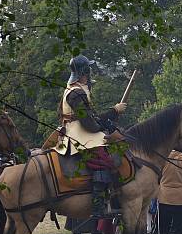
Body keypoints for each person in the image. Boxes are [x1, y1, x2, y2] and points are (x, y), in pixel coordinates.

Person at [49, 55, 127, 219]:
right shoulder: (76, 92)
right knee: (101, 160)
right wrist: (114, 111)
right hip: (79, 132)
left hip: (77, 129)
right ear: (85, 71)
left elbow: (92, 117)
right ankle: (98, 207)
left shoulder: (76, 88)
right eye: (88, 69)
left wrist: (109, 119)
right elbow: (89, 123)